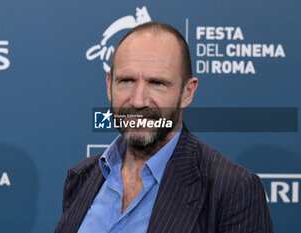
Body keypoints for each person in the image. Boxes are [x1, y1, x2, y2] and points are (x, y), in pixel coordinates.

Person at [55, 22, 274, 233]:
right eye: (127, 81)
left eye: (157, 83)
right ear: (109, 85)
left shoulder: (232, 189)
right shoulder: (81, 177)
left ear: (187, 92)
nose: (139, 101)